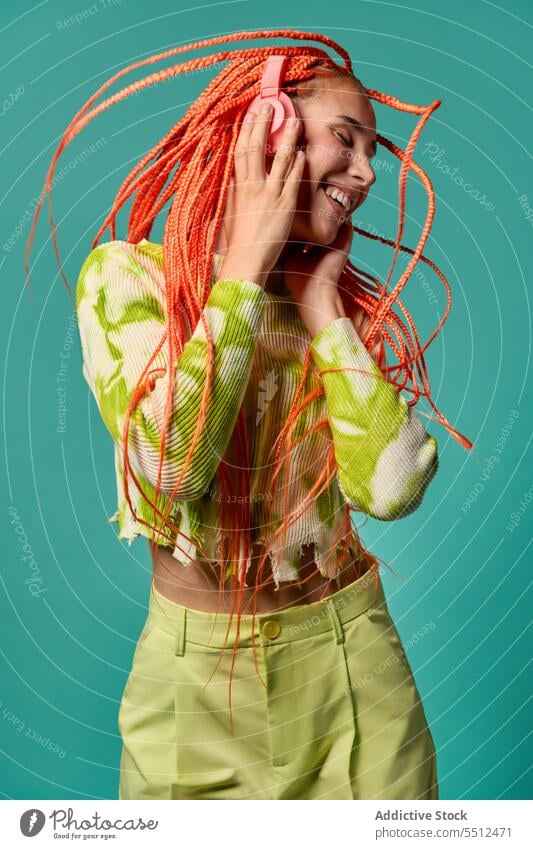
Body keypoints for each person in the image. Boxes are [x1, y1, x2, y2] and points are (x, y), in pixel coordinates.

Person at [27, 30, 472, 800]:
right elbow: (171, 464)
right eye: (347, 139)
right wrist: (242, 263)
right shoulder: (127, 280)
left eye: (374, 151)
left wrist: (325, 309)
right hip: (192, 688)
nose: (366, 174)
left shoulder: (331, 318)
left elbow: (391, 489)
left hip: (351, 667)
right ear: (266, 130)